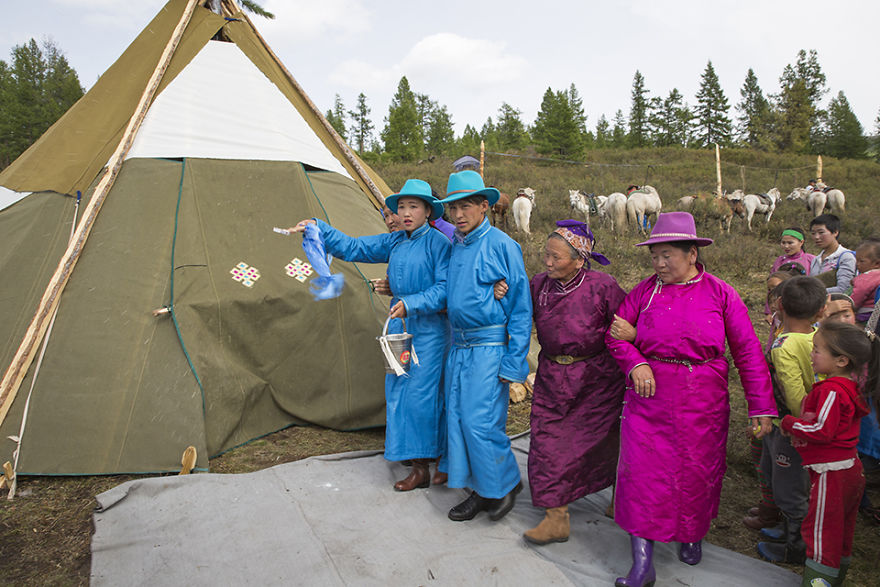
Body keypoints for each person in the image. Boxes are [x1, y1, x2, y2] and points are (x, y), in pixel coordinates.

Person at [606, 212, 776, 587]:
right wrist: (636, 362)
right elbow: (616, 335)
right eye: (654, 255)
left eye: (667, 255)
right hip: (649, 400)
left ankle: (691, 532)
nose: (659, 263)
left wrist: (760, 406)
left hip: (703, 401)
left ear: (692, 254)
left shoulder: (721, 293)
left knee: (695, 473)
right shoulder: (645, 292)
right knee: (641, 477)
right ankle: (642, 563)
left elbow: (747, 351)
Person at [289, 179, 451, 491]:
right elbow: (355, 247)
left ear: (428, 210)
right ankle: (416, 459)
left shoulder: (438, 244)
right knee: (399, 391)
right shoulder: (396, 242)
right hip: (400, 329)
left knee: (422, 396)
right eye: (401, 206)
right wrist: (318, 226)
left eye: (413, 206)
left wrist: (412, 302)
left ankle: (430, 463)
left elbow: (445, 289)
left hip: (429, 331)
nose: (404, 213)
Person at [523, 220, 625, 545]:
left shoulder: (603, 287)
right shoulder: (539, 284)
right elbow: (516, 311)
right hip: (553, 375)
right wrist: (502, 292)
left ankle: (619, 498)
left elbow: (629, 323)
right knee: (546, 442)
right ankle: (556, 517)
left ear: (580, 260)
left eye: (557, 258)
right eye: (546, 255)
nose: (549, 263)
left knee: (600, 441)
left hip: (597, 379)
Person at [439, 170, 532, 523]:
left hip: (490, 348)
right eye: (453, 209)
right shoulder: (456, 246)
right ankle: (481, 487)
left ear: (483, 206)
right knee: (460, 418)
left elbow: (522, 308)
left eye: (466, 206)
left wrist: (514, 362)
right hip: (459, 347)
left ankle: (504, 485)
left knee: (481, 421)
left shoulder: (503, 245)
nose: (458, 214)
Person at [780, 321, 877, 587]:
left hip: (831, 473)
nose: (811, 355)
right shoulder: (849, 386)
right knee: (841, 529)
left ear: (841, 360)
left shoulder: (831, 390)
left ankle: (818, 581)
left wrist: (789, 423)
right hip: (849, 469)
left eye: (817, 351)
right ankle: (833, 579)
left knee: (821, 531)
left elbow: (821, 430)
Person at [756, 276, 826, 564]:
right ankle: (787, 530)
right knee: (780, 475)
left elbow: (793, 392)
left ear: (780, 305)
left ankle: (796, 547)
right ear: (821, 311)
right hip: (802, 425)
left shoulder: (783, 346)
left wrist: (798, 426)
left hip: (790, 429)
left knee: (789, 487)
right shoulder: (820, 337)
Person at [809, 214, 855, 294]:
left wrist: (812, 292)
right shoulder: (815, 260)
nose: (816, 237)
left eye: (821, 232)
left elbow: (844, 289)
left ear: (835, 232)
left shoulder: (846, 257)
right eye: (813, 233)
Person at [851, 237, 880, 323]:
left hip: (864, 315)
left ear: (877, 263)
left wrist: (848, 306)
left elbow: (857, 296)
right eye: (857, 261)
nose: (858, 264)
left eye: (862, 261)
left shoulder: (866, 277)